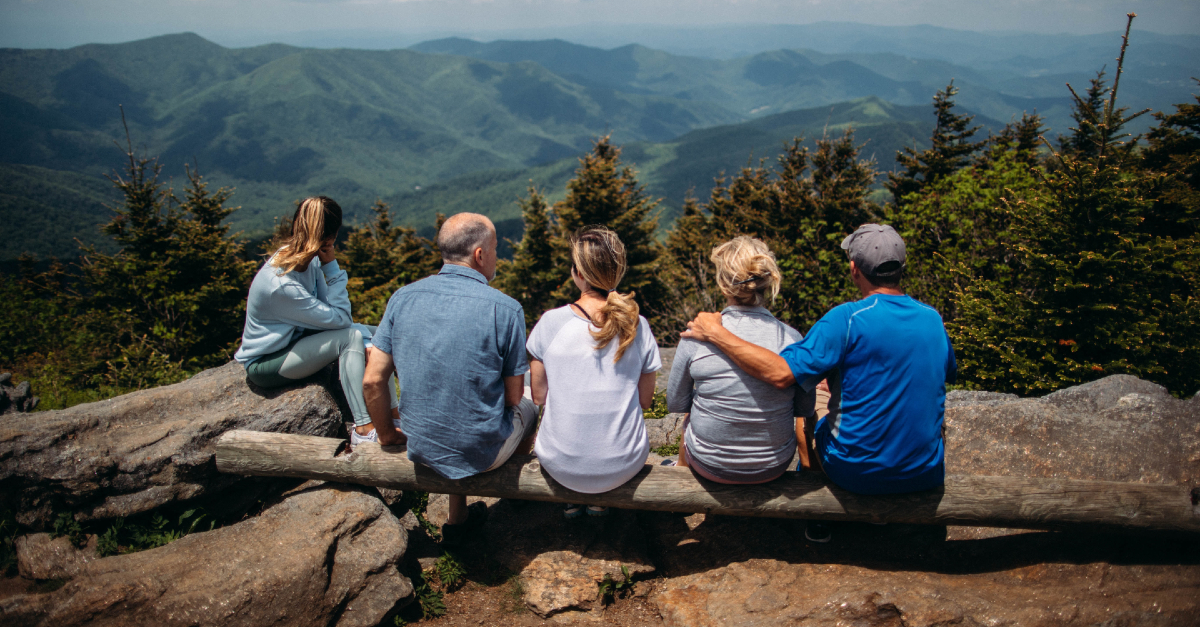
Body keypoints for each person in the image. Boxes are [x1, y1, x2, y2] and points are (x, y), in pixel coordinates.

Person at [681, 224, 956, 543]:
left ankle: (818, 515)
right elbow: (943, 373)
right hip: (923, 472)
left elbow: (782, 373)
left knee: (812, 401)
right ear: (901, 268)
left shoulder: (846, 319)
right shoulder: (932, 318)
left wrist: (717, 333)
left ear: (855, 269)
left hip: (854, 472)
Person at [361, 212, 537, 544]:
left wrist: (386, 434)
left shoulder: (403, 297)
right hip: (483, 454)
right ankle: (516, 492)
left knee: (452, 398)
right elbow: (514, 398)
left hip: (421, 444)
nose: (497, 256)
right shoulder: (507, 308)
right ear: (480, 255)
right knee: (530, 408)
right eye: (496, 248)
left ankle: (458, 516)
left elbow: (372, 380)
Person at [235, 196, 397, 440]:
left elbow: (330, 312)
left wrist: (370, 341)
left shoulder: (304, 260)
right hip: (267, 362)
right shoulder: (282, 285)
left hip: (295, 342)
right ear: (329, 238)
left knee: (382, 333)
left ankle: (393, 415)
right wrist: (331, 266)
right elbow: (341, 319)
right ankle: (363, 429)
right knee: (350, 337)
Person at [527, 226, 660, 518]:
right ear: (617, 273)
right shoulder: (638, 325)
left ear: (578, 273)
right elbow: (645, 400)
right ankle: (601, 501)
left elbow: (539, 396)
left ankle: (572, 498)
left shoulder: (551, 323)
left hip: (561, 464)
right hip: (623, 464)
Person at [666, 236, 815, 484]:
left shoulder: (697, 335)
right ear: (767, 283)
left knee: (692, 410)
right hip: (773, 465)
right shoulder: (792, 338)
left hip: (709, 465)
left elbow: (676, 402)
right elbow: (803, 408)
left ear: (724, 286)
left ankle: (680, 470)